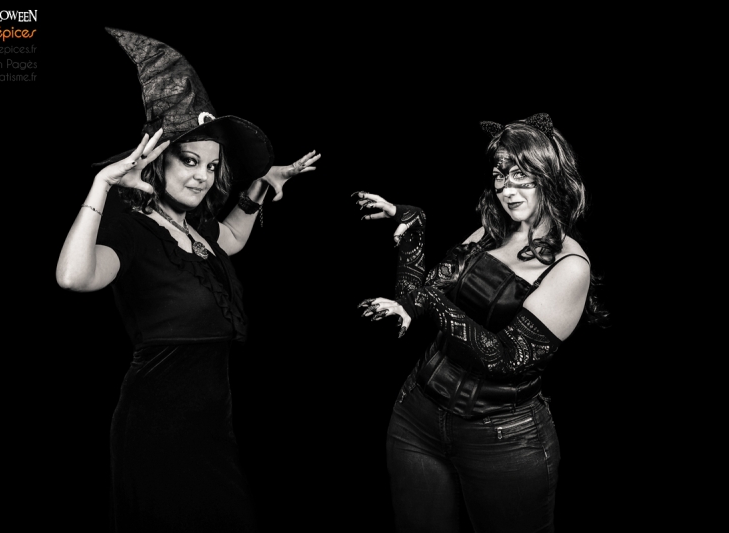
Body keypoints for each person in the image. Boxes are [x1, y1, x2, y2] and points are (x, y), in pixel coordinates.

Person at [56, 28, 319, 532]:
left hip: (211, 423)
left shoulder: (195, 228)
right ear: (159, 160)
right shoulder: (132, 230)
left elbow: (232, 239)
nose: (203, 176)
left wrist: (262, 186)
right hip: (157, 423)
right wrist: (101, 185)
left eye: (212, 166)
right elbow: (73, 277)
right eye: (190, 161)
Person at [354, 113, 607, 533]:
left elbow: (504, 358)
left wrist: (429, 303)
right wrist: (413, 225)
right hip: (417, 416)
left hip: (503, 439)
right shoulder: (490, 232)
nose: (507, 188)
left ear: (549, 174)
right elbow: (420, 295)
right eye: (500, 175)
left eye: (521, 174)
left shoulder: (570, 266)